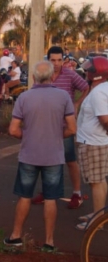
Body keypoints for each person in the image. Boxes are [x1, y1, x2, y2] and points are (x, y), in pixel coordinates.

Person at [4, 61, 76, 252]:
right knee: (51, 198)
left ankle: (16, 236)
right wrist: (56, 136)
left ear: (34, 77)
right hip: (54, 156)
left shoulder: (24, 98)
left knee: (24, 196)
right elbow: (72, 128)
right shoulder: (63, 97)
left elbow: (13, 129)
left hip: (29, 154)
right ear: (53, 76)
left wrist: (27, 135)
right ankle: (49, 241)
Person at [32, 46, 89, 209]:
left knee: (70, 160)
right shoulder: (43, 75)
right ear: (47, 60)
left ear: (63, 60)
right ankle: (47, 192)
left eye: (59, 60)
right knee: (46, 161)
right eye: (52, 60)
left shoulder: (70, 75)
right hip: (45, 126)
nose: (56, 63)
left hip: (65, 127)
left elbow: (86, 87)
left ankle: (77, 194)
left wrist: (77, 103)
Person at [76, 57, 108, 230]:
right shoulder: (100, 89)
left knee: (96, 181)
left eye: (89, 69)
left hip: (93, 143)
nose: (86, 71)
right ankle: (99, 214)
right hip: (96, 141)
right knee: (99, 180)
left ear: (96, 74)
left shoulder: (98, 93)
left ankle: (97, 222)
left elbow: (105, 119)